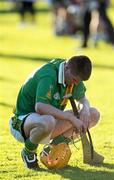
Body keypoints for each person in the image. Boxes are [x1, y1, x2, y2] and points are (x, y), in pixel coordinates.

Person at [9, 55, 104, 169]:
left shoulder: (73, 75)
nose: (76, 84)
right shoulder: (48, 75)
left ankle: (52, 149)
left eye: (79, 81)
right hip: (22, 124)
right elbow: (40, 107)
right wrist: (71, 118)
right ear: (66, 68)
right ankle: (28, 152)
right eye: (74, 80)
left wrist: (85, 109)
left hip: (48, 123)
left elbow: (82, 99)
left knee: (93, 114)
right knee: (48, 121)